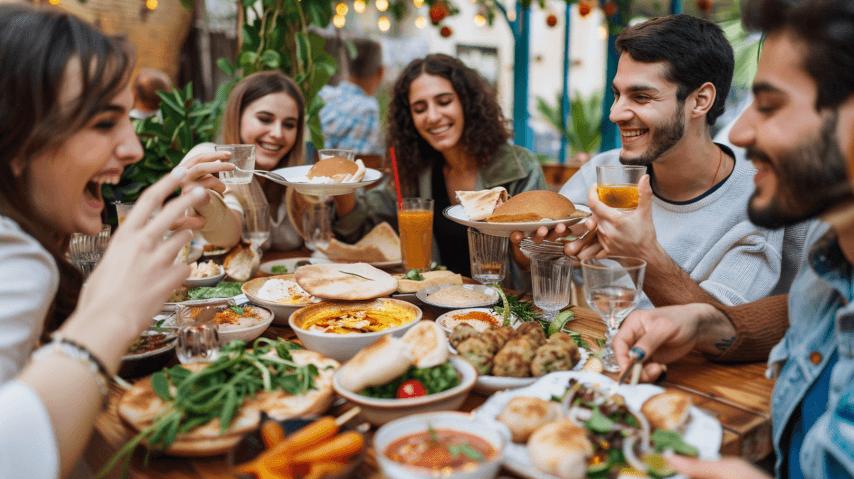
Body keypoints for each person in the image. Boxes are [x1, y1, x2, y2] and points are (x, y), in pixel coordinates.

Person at [613, 0, 854, 477]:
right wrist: (704, 323)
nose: (739, 131)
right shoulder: (826, 271)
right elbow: (791, 311)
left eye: (768, 105)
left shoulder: (762, 214)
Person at [0, 5, 232, 477]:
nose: (134, 148)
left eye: (128, 117)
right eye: (105, 122)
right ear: (16, 140)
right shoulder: (18, 258)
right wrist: (111, 316)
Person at [521, 14, 810, 310]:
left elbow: (722, 329)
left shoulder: (760, 193)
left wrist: (641, 251)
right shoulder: (606, 172)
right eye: (618, 94)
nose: (616, 113)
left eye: (641, 97)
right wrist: (544, 244)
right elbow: (526, 254)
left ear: (700, 101)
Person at [332, 53, 547, 281]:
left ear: (467, 102)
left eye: (444, 102)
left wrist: (522, 246)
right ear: (409, 119)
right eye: (419, 108)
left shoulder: (518, 167)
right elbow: (359, 227)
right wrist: (339, 187)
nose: (432, 116)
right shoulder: (415, 172)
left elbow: (538, 261)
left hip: (507, 308)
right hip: (437, 303)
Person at [182, 70, 307, 251]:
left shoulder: (296, 179)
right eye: (265, 119)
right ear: (237, 117)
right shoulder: (213, 160)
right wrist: (204, 202)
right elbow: (227, 236)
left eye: (289, 124)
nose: (278, 134)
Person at [318, 36, 385, 155]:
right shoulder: (368, 108)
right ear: (381, 72)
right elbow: (357, 164)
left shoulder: (322, 95)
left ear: (344, 66)